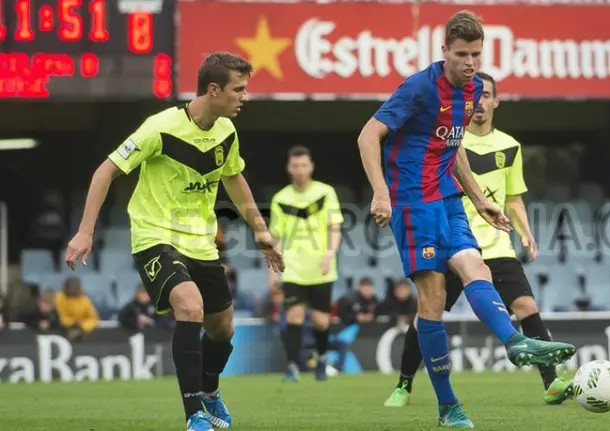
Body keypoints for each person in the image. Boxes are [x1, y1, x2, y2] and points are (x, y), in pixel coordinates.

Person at [357, 10, 575, 428]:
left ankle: (515, 342)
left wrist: (479, 200)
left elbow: (453, 147)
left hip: (449, 198)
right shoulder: (419, 87)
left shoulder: (472, 91)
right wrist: (380, 191)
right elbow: (368, 135)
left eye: (475, 53)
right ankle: (447, 406)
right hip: (411, 201)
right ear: (445, 52)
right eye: (461, 54)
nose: (469, 61)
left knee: (477, 267)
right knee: (433, 301)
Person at [64, 52, 284, 431]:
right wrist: (86, 231)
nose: (244, 97)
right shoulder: (159, 127)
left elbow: (234, 178)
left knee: (223, 328)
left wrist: (260, 230)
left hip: (200, 241)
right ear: (213, 89)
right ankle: (194, 414)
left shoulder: (225, 132)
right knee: (190, 305)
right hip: (155, 236)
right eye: (239, 89)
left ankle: (210, 392)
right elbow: (106, 171)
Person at [268, 145, 343, 382]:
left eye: (303, 165)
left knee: (321, 322)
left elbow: (335, 227)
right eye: (295, 165)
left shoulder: (326, 192)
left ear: (311, 166)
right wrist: (272, 272)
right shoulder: (280, 199)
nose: (299, 170)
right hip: (292, 268)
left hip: (321, 267)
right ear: (289, 168)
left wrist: (330, 254)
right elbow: (275, 238)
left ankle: (321, 360)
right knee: (294, 317)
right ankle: (292, 367)